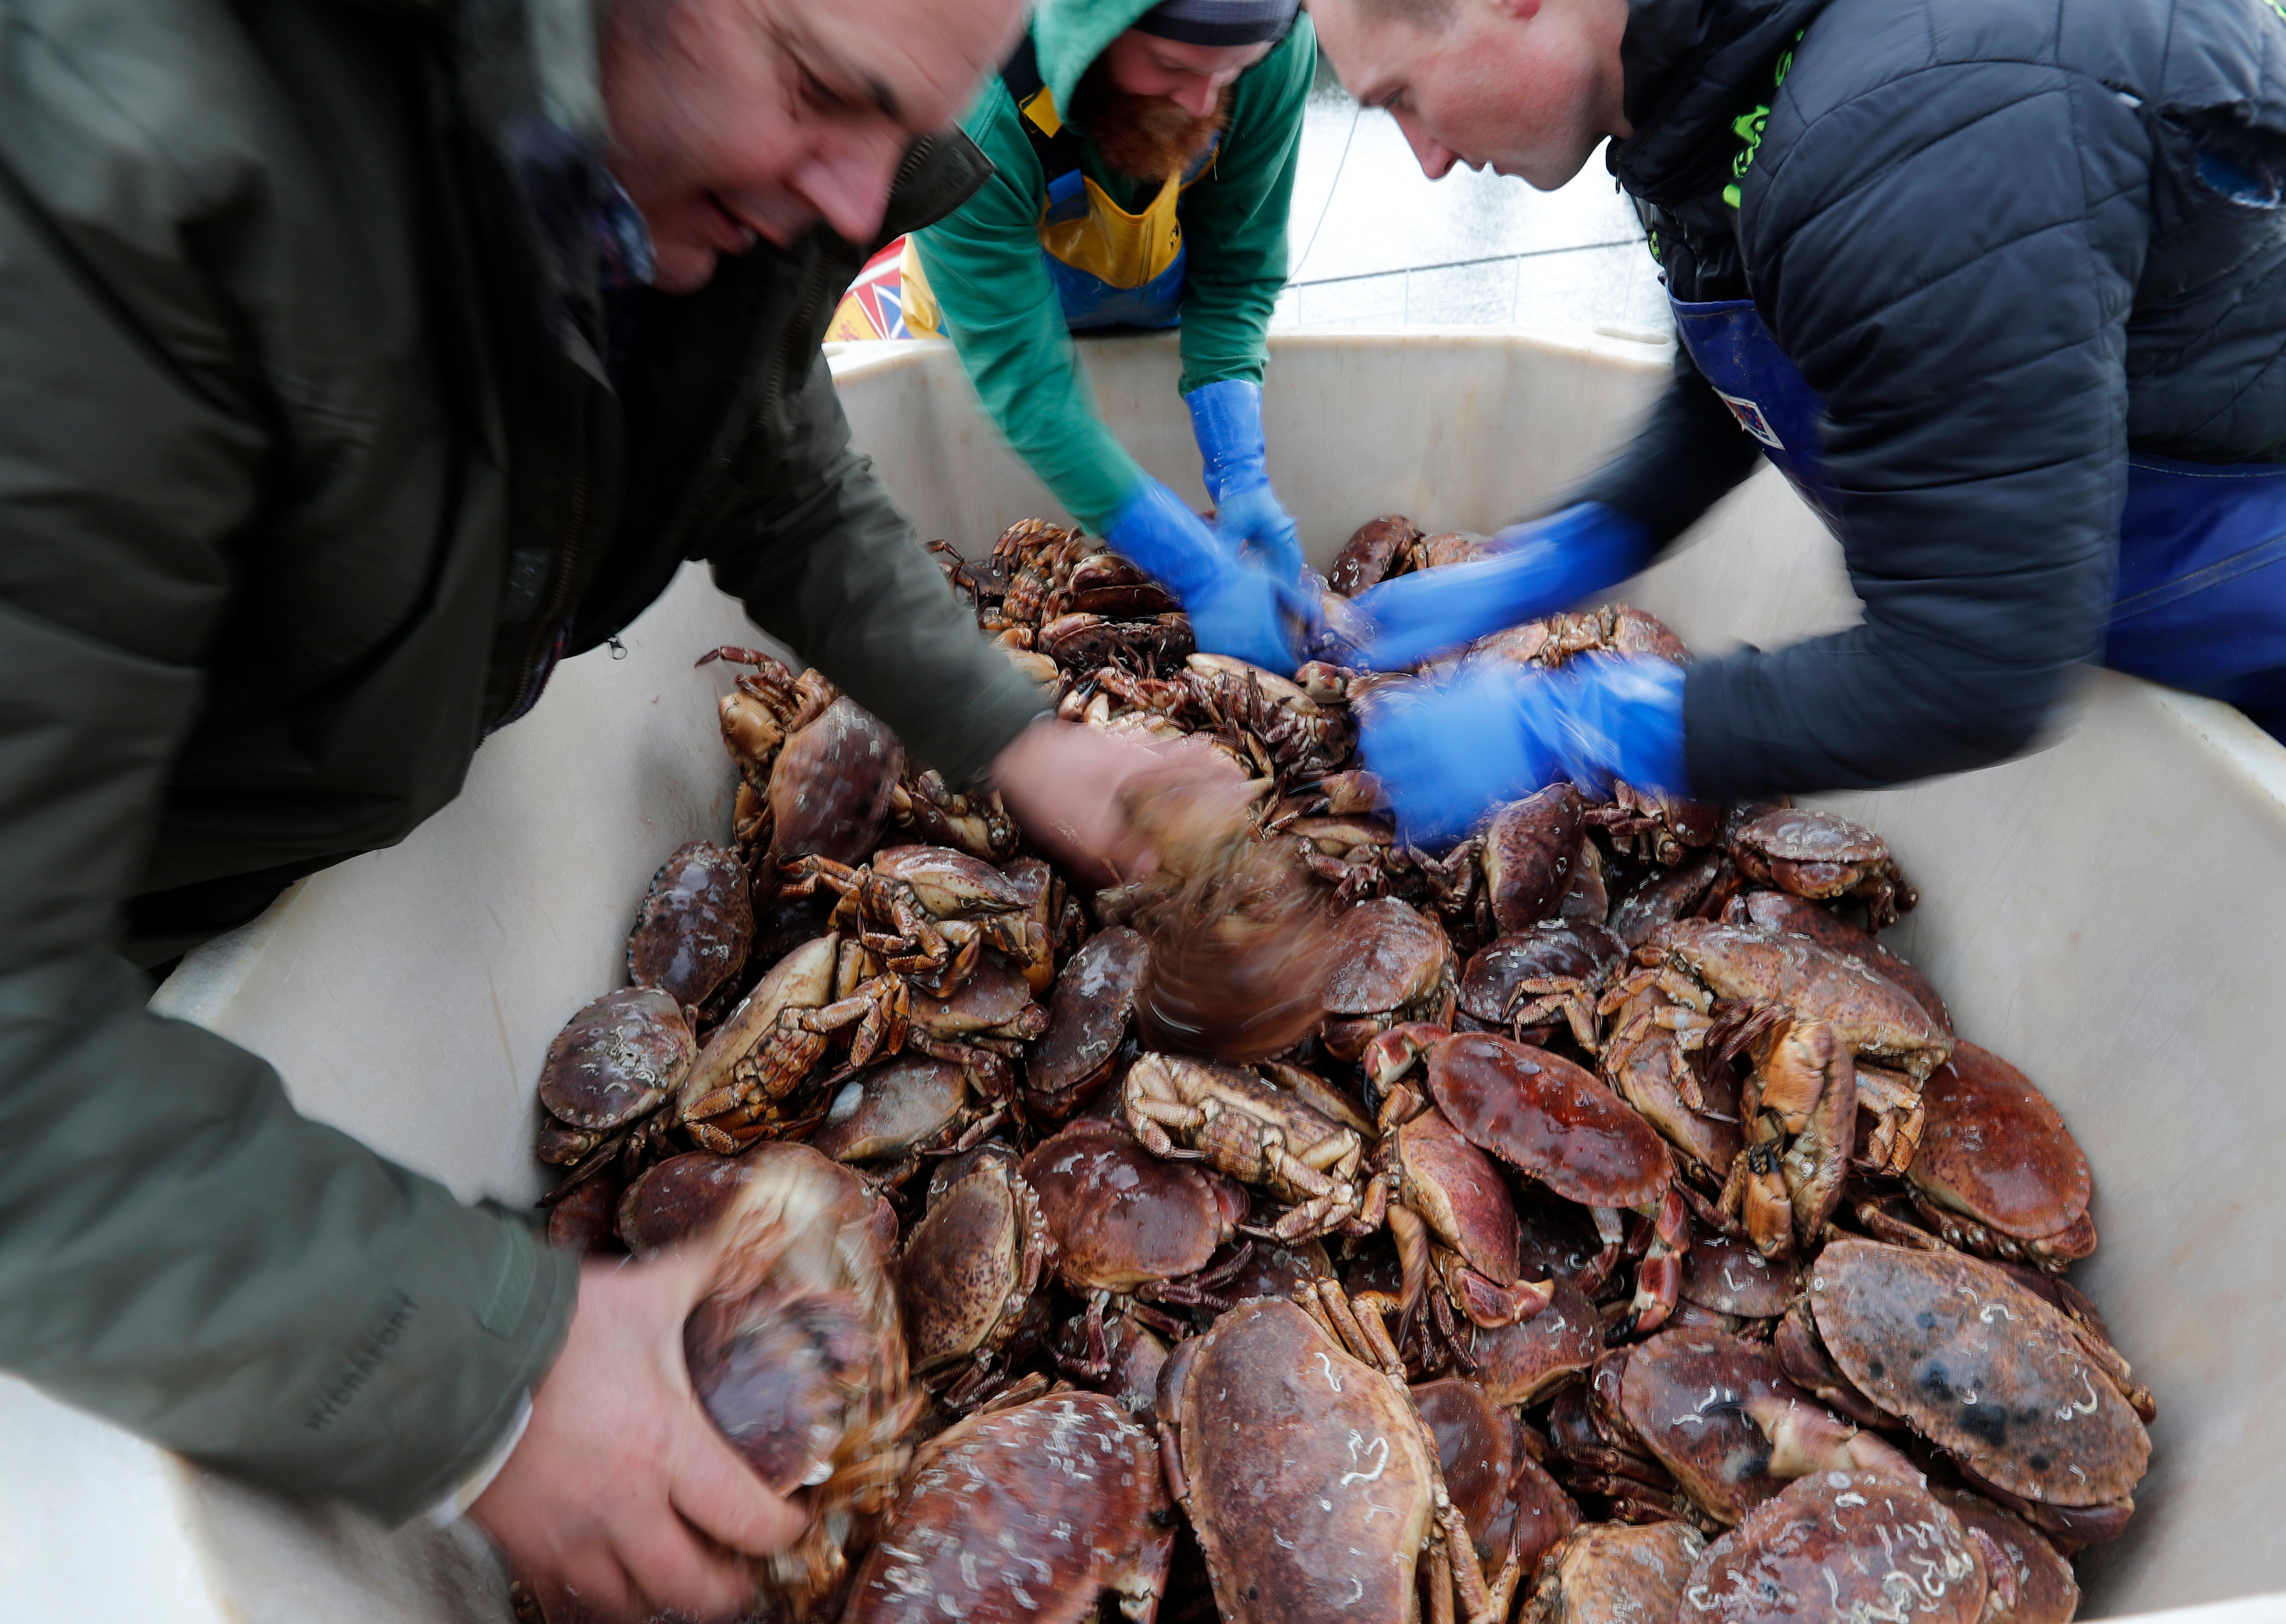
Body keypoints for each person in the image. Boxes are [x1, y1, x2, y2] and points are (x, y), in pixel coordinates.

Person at [0, 0, 1230, 1617]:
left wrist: (1016, 736)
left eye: (909, 124)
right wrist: (485, 1377)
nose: (864, 206)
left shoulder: (681, 166)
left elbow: (760, 455)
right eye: (818, 91)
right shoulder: (124, 154)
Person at [1306, 0, 2286, 843]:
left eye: (1400, 97)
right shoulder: (1710, 87)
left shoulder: (1920, 130)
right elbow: (1761, 359)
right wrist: (1566, 550)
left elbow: (1973, 663)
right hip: (2139, 598)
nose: (1423, 158)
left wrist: (1588, 724)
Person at [909, 0, 1318, 673]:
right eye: (1170, 64)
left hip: (1157, 313)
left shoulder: (1271, 53)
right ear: (1090, 29)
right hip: (984, 331)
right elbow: (1027, 379)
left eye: (1232, 71)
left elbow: (1236, 273)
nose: (1201, 99)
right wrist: (1196, 569)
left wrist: (1238, 471)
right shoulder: (963, 112)